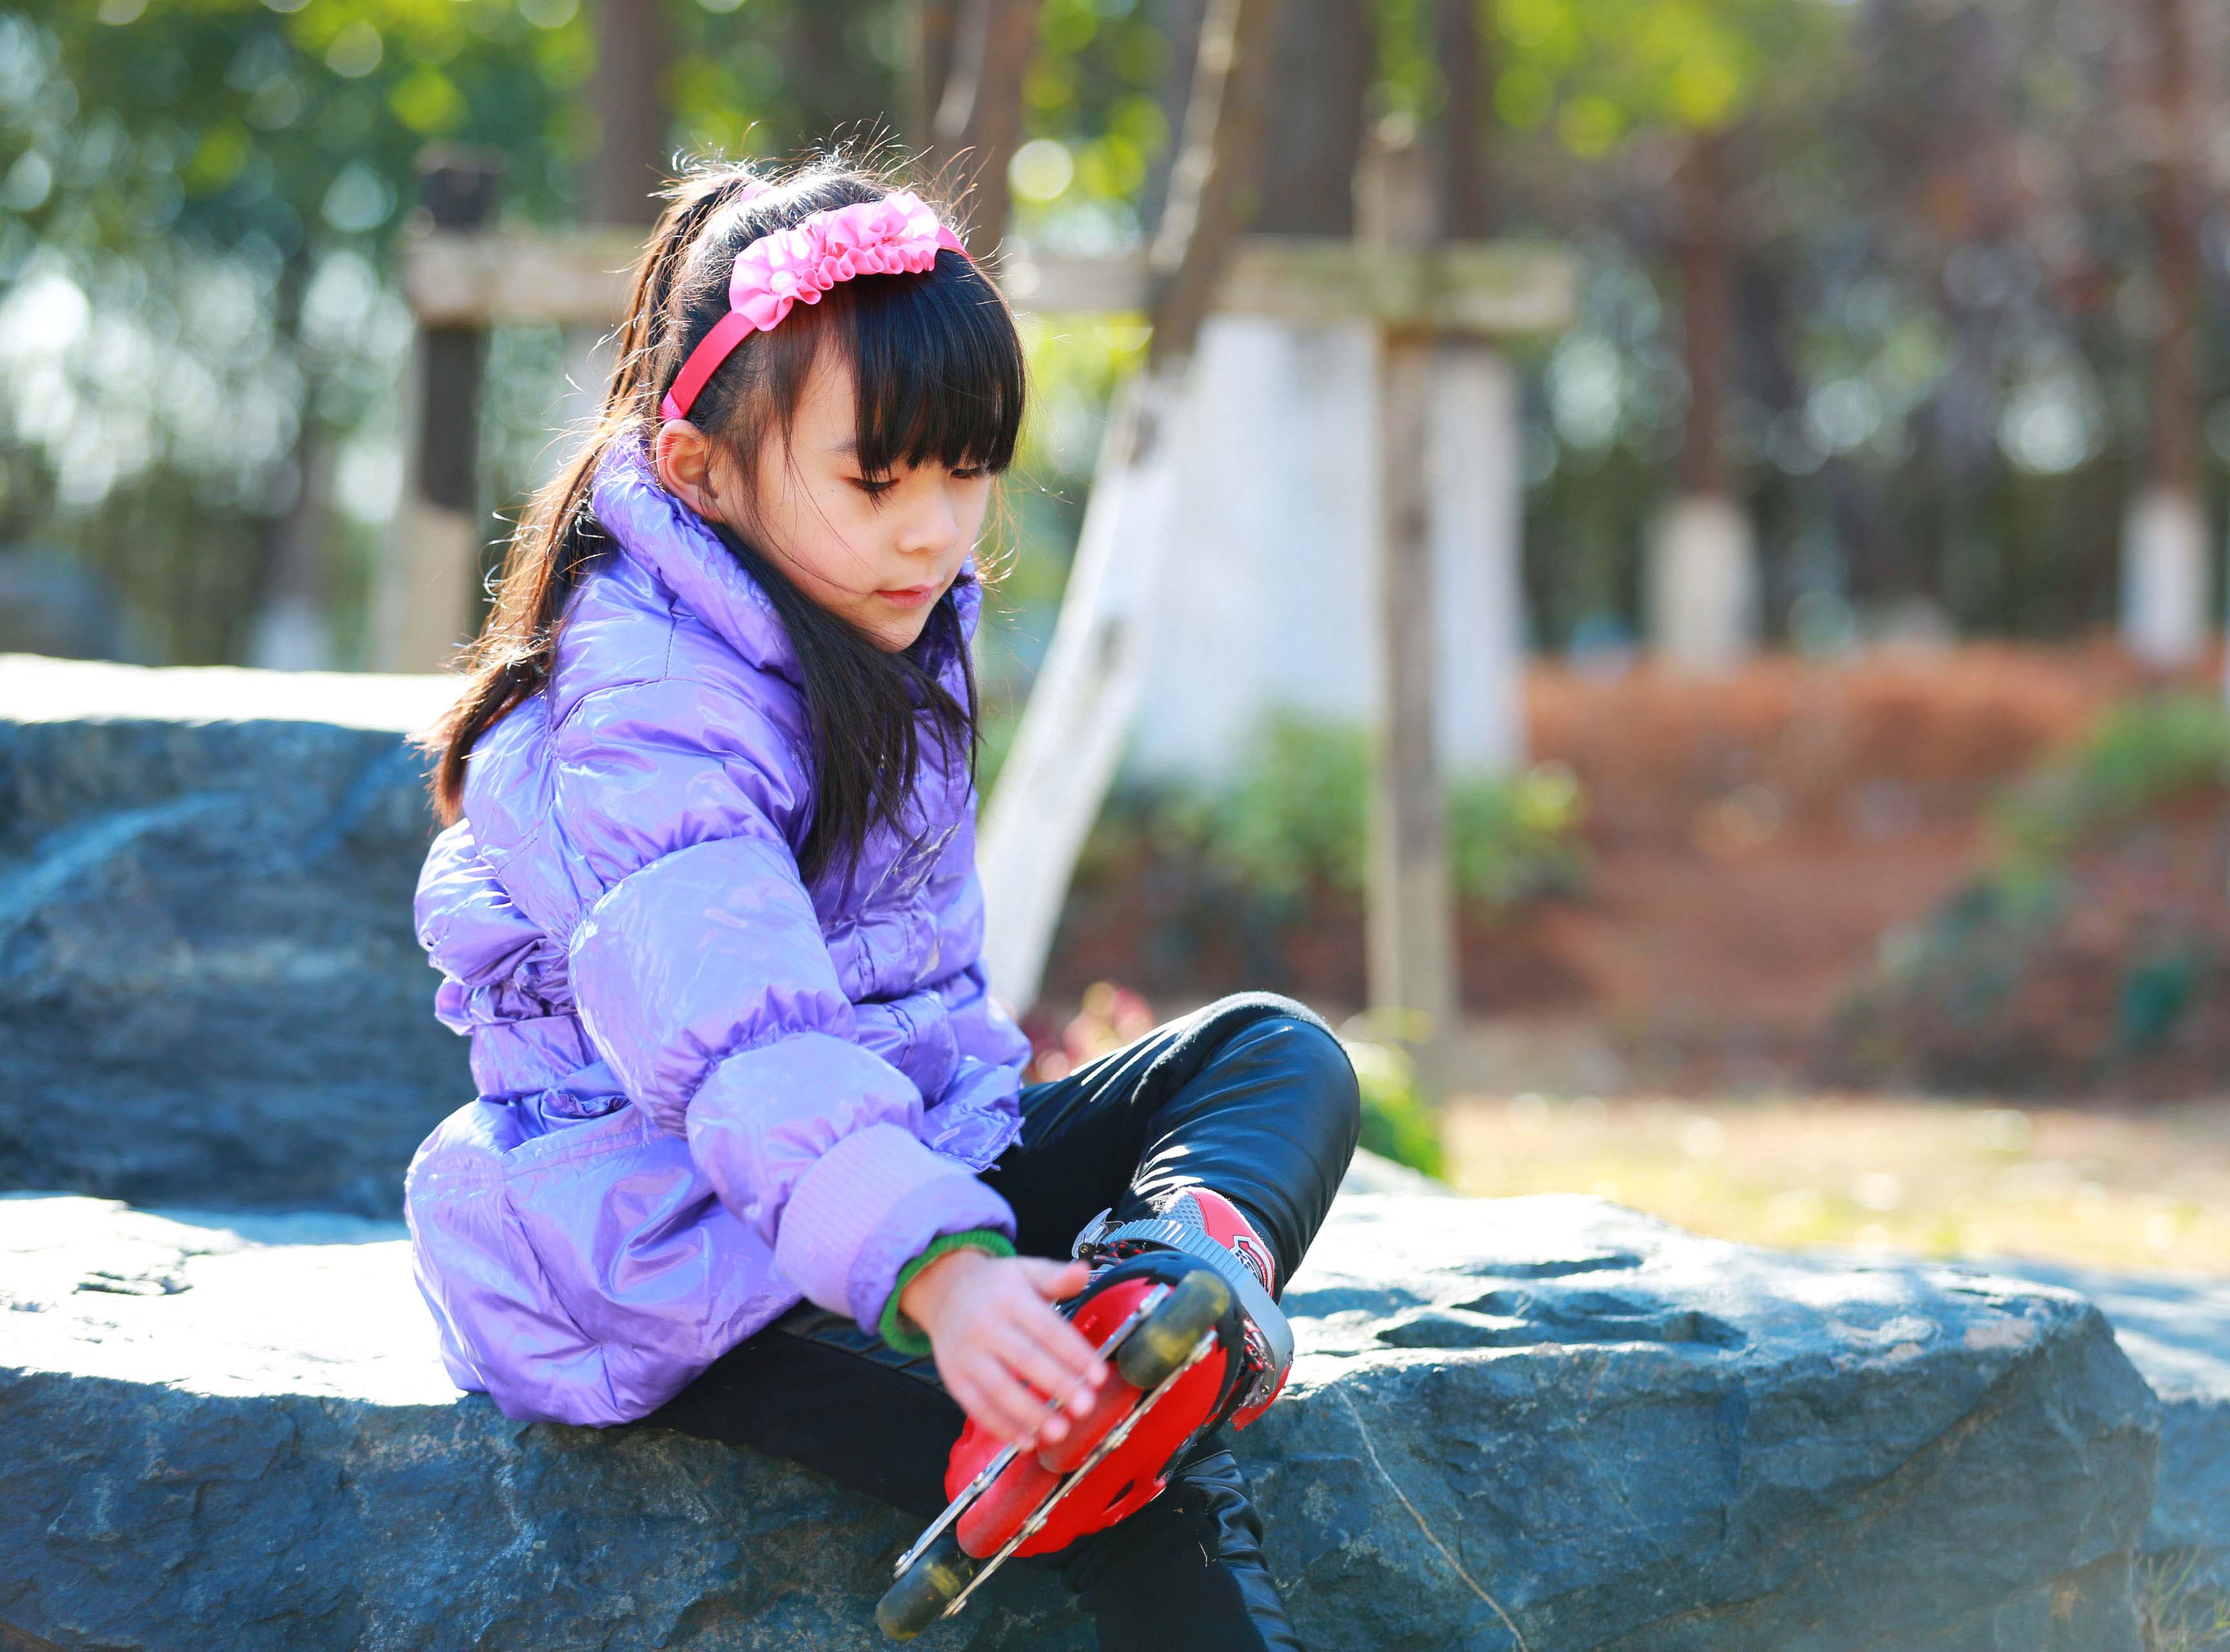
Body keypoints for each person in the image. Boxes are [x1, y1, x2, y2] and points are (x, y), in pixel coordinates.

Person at [402, 152, 1361, 1652]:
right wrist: (953, 1276)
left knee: (1271, 1051)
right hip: (682, 1250)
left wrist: (972, 1217)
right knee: (1115, 1458)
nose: (936, 527)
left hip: (883, 1172)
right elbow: (749, 1044)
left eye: (967, 469)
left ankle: (1173, 1290)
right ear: (699, 467)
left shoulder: (869, 612)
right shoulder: (651, 713)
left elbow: (911, 997)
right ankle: (1104, 1405)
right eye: (879, 477)